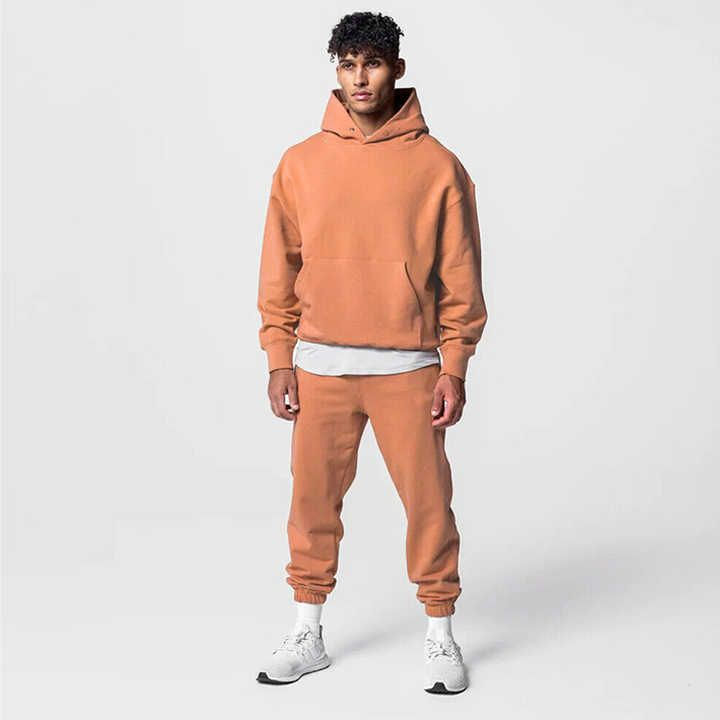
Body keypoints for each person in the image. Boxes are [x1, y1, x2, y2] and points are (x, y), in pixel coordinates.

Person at [255, 11, 488, 694]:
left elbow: (462, 278)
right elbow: (279, 268)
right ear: (337, 70)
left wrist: (454, 366)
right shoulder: (300, 163)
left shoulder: (438, 166)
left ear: (397, 69)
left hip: (407, 370)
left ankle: (441, 634)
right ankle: (307, 631)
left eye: (374, 63)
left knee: (429, 505)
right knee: (311, 504)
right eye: (348, 64)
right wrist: (278, 357)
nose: (360, 78)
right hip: (320, 367)